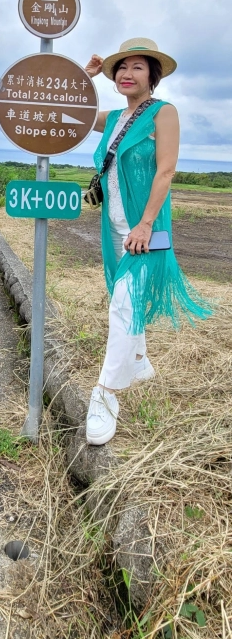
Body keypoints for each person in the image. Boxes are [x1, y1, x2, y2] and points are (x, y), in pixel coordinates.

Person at [83, 38, 212, 446]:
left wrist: (146, 223)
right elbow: (75, 114)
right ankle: (138, 361)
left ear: (152, 76)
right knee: (124, 297)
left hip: (146, 228)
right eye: (121, 67)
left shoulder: (163, 113)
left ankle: (106, 394)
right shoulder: (114, 118)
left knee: (123, 302)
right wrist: (84, 78)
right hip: (114, 227)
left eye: (138, 67)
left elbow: (166, 171)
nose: (127, 73)